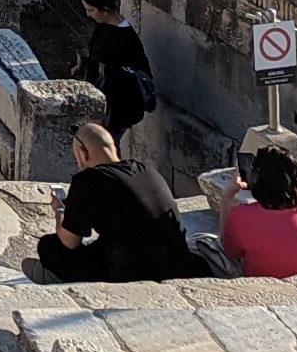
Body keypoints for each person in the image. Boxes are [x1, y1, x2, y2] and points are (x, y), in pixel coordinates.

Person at [34, 120, 188, 283]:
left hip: (133, 274)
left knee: (49, 246)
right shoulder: (147, 171)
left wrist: (59, 211)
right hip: (181, 265)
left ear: (82, 153)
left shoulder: (88, 179)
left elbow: (69, 241)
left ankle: (53, 278)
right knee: (103, 243)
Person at [222, 141, 297, 280]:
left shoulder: (241, 216)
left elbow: (229, 252)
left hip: (267, 291)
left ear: (257, 180)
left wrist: (227, 196)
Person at [73, 0, 157, 148]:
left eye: (91, 10)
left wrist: (100, 112)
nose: (88, 14)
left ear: (104, 10)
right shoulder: (104, 26)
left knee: (106, 145)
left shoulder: (122, 40)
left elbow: (116, 81)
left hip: (118, 105)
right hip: (105, 97)